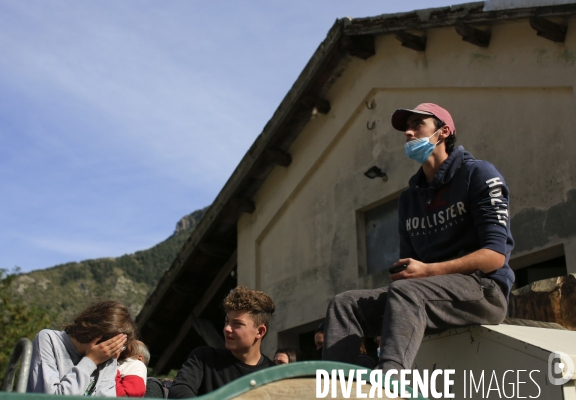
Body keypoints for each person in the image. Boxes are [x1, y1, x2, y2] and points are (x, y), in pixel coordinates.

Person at [322, 103, 514, 374]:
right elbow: (412, 269)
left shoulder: (478, 174)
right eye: (405, 128)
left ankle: (390, 383)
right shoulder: (409, 199)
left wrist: (427, 271)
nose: (408, 133)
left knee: (406, 292)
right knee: (344, 304)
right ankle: (336, 389)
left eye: (417, 125)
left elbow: (494, 256)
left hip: (483, 291)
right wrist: (409, 272)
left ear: (443, 131)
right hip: (426, 294)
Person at [168, 286, 276, 398]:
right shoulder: (204, 358)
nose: (227, 328)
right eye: (227, 321)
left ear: (260, 331)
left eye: (237, 324)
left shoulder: (275, 376)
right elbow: (179, 390)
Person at [27, 300, 136, 396]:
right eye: (115, 346)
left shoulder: (107, 359)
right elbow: (50, 396)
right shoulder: (49, 340)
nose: (116, 353)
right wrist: (90, 361)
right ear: (97, 338)